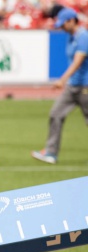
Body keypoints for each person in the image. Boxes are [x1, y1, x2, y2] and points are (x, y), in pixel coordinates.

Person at [31, 7, 88, 165]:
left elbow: (77, 62)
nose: (61, 27)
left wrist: (62, 80)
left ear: (72, 21)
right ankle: (51, 152)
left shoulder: (83, 37)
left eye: (63, 24)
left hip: (85, 87)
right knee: (56, 114)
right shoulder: (71, 37)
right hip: (73, 86)